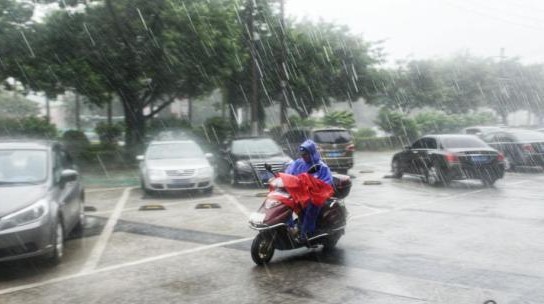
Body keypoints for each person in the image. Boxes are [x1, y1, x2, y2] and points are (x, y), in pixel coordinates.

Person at [285, 139, 333, 241]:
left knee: (312, 206)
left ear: (311, 153)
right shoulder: (298, 163)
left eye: (305, 154)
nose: (303, 156)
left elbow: (326, 183)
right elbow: (288, 173)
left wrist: (313, 186)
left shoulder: (321, 167)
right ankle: (289, 227)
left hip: (316, 196)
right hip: (300, 193)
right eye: (302, 154)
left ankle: (307, 233)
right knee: (285, 202)